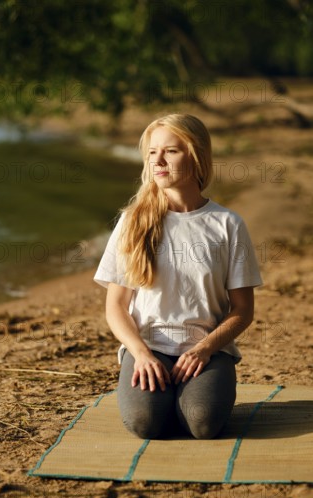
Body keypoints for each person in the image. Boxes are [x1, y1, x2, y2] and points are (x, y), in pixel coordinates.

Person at [93, 113, 262, 440]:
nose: (158, 160)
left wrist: (205, 349)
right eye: (152, 152)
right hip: (148, 346)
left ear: (196, 156)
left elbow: (243, 310)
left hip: (206, 350)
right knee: (144, 423)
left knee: (203, 423)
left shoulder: (227, 224)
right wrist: (140, 353)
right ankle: (162, 402)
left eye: (170, 151)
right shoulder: (133, 221)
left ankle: (189, 400)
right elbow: (116, 307)